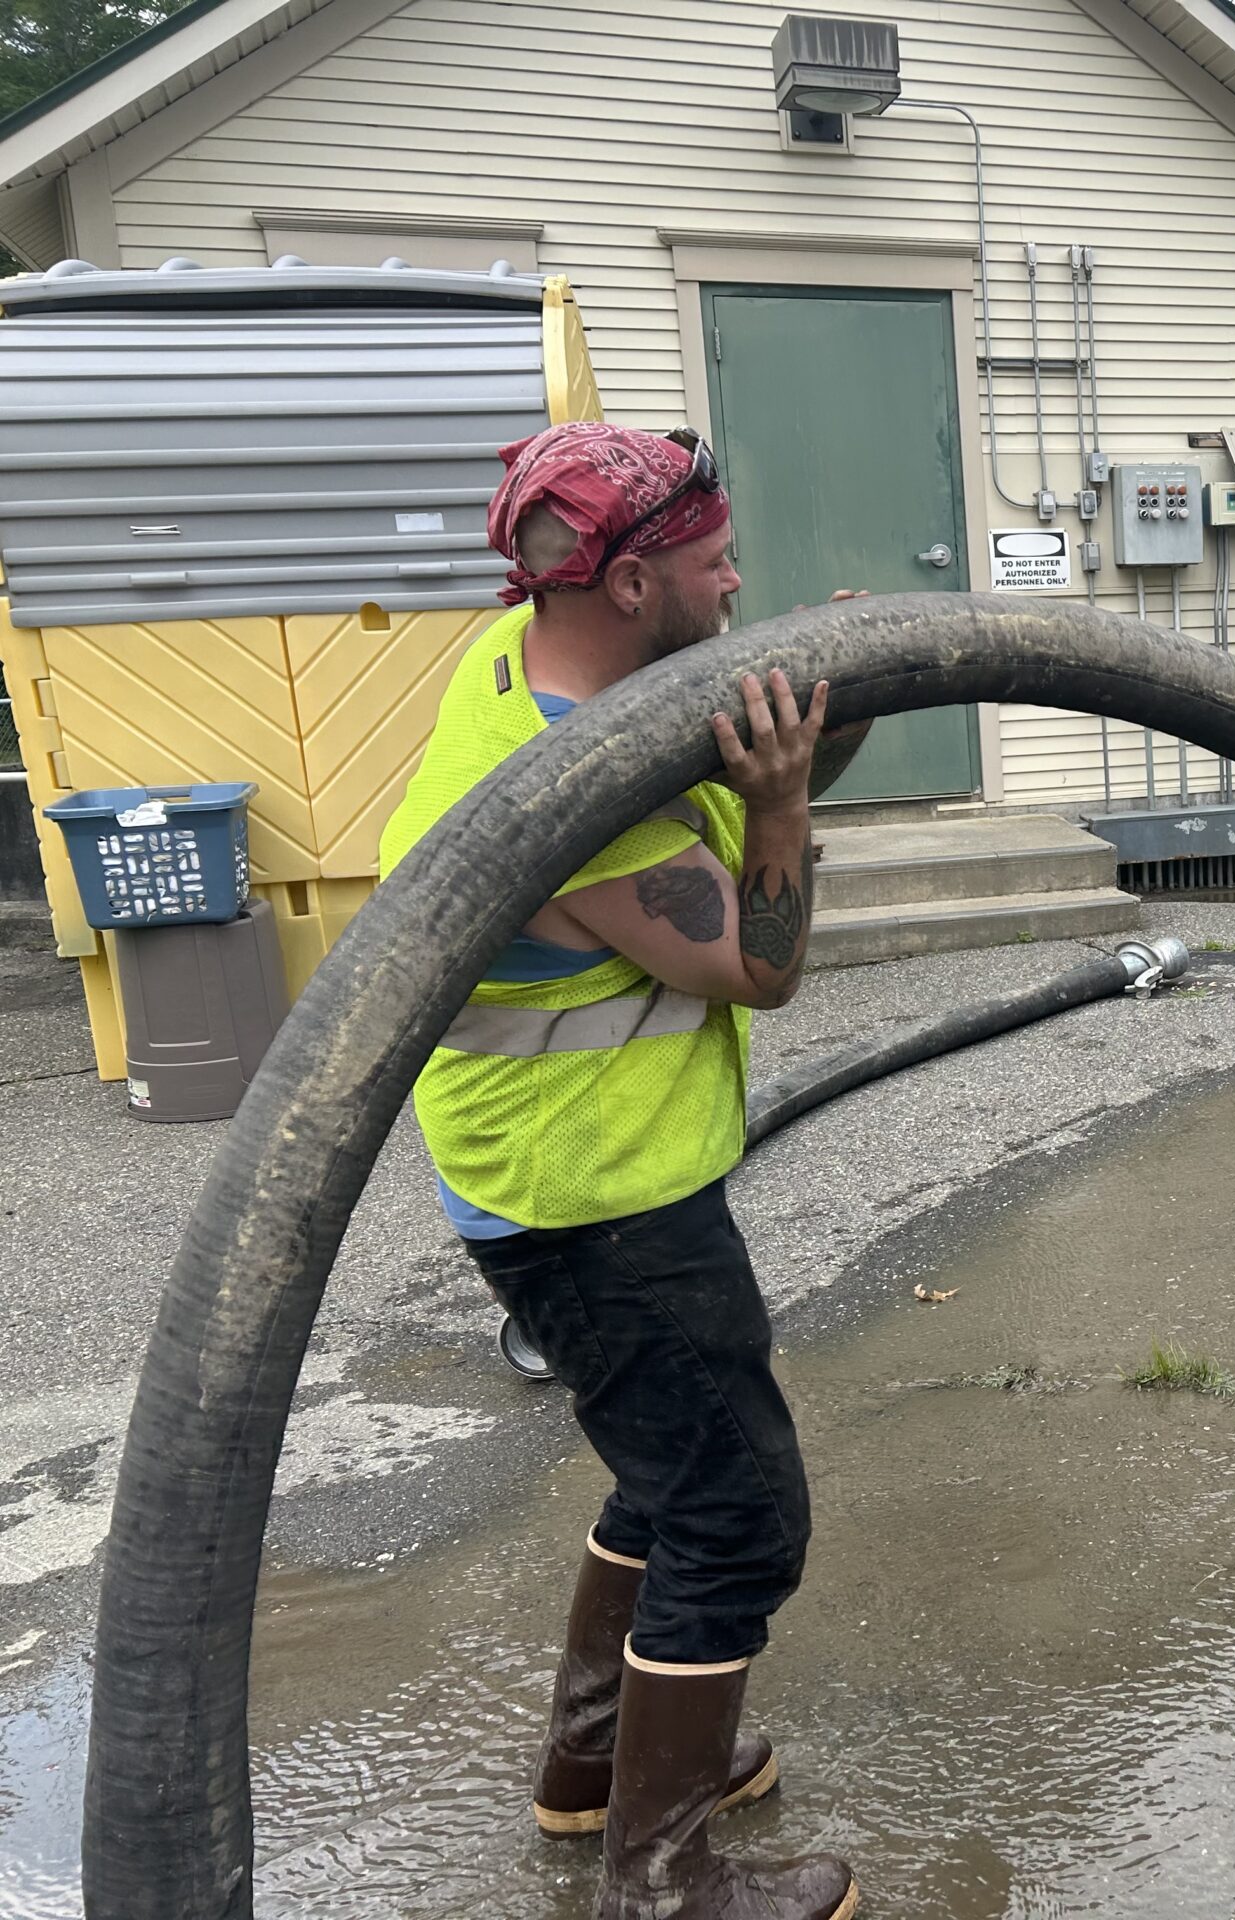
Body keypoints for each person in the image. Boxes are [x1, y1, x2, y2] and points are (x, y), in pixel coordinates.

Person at [380, 422, 867, 1920]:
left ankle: (597, 1760)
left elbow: (719, 793)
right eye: (719, 564)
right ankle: (661, 1884)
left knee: (668, 1464)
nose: (742, 581)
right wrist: (786, 802)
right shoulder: (560, 785)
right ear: (639, 582)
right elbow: (755, 964)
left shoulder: (538, 659)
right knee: (737, 1508)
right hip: (591, 1199)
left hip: (574, 1177)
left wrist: (814, 722)